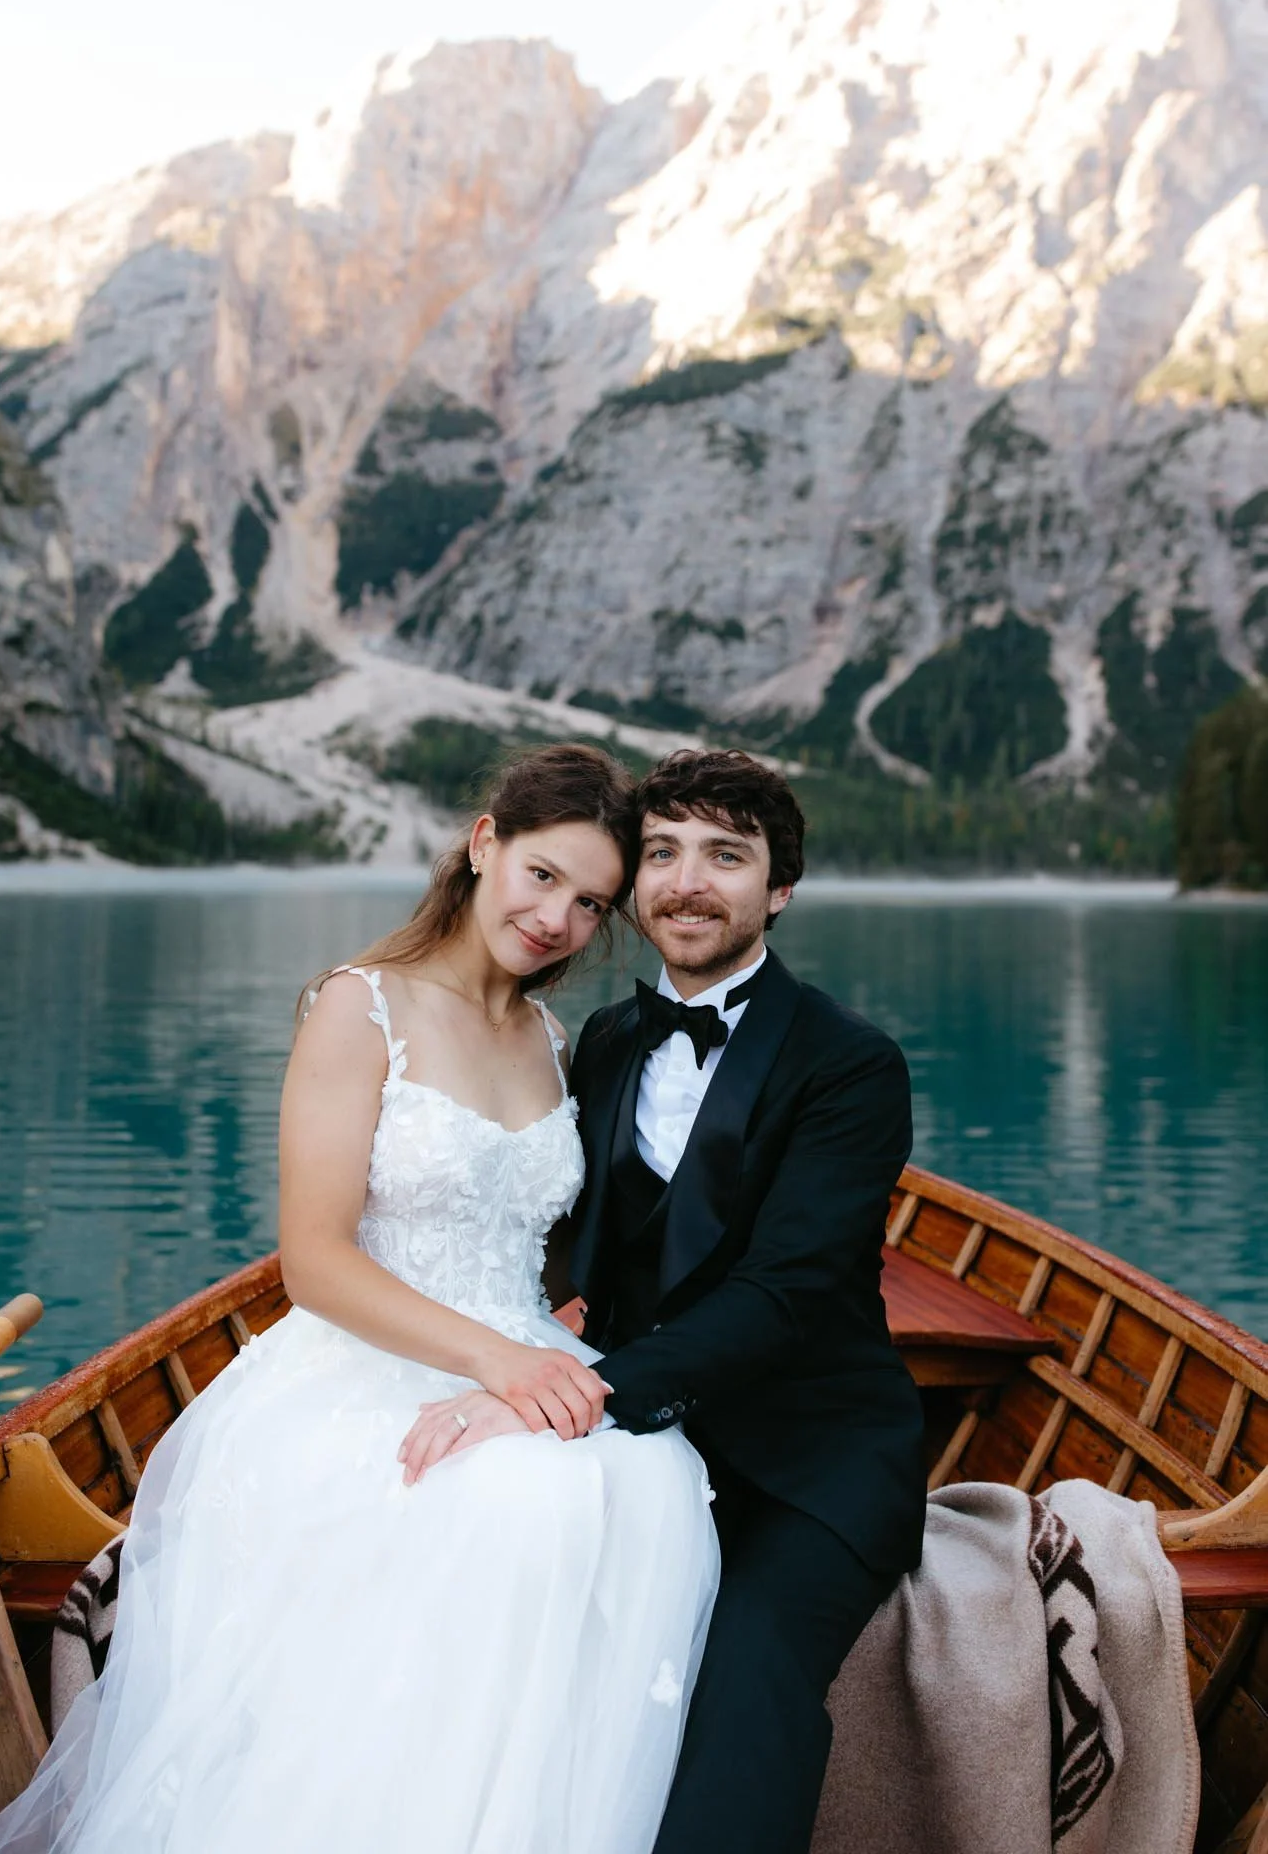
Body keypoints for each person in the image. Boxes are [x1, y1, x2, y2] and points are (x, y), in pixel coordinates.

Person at [0, 743, 720, 1854]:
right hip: (364, 1359)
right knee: (523, 1506)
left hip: (511, 1347)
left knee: (658, 1478)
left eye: (592, 901)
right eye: (543, 874)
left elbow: (552, 1251)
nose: (559, 916)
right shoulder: (357, 1005)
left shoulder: (553, 1040)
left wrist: (566, 1339)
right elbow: (313, 1259)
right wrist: (500, 1365)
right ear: (483, 844)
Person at [412, 747, 925, 1853]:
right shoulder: (601, 1040)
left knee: (740, 1676)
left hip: (805, 1461)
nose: (689, 881)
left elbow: (785, 1295)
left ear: (777, 887)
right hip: (638, 1442)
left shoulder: (851, 1064)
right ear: (635, 887)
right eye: (662, 852)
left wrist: (568, 1390)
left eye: (725, 856)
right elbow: (558, 1237)